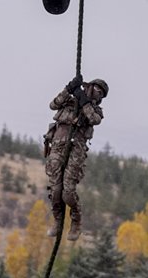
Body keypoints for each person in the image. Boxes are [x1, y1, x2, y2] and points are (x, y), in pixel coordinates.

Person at [43, 75, 107, 241]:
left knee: (68, 192)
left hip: (76, 149)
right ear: (89, 86)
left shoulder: (95, 111)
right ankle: (57, 221)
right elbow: (53, 105)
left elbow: (94, 120)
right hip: (58, 145)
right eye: (96, 89)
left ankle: (76, 220)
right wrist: (69, 89)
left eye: (101, 93)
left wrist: (84, 102)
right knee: (55, 190)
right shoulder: (69, 100)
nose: (97, 93)